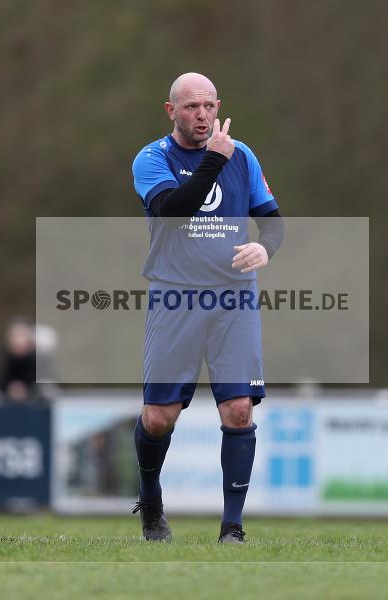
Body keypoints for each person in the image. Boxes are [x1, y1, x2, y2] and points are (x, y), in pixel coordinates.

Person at [130, 73, 285, 543]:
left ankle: (232, 528)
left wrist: (266, 249)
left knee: (239, 410)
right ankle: (152, 501)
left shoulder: (245, 157)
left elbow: (273, 225)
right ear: (170, 110)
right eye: (191, 106)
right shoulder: (151, 158)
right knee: (159, 417)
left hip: (233, 299)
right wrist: (214, 161)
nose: (201, 115)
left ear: (218, 106)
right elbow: (176, 210)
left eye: (208, 106)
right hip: (174, 296)